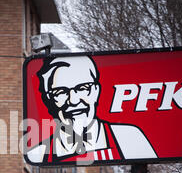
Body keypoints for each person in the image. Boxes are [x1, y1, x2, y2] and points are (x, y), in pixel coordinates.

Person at [26, 55, 157, 164]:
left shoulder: (129, 138)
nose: (73, 100)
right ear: (49, 99)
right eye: (60, 92)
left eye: (82, 88)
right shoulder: (37, 154)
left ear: (96, 91)